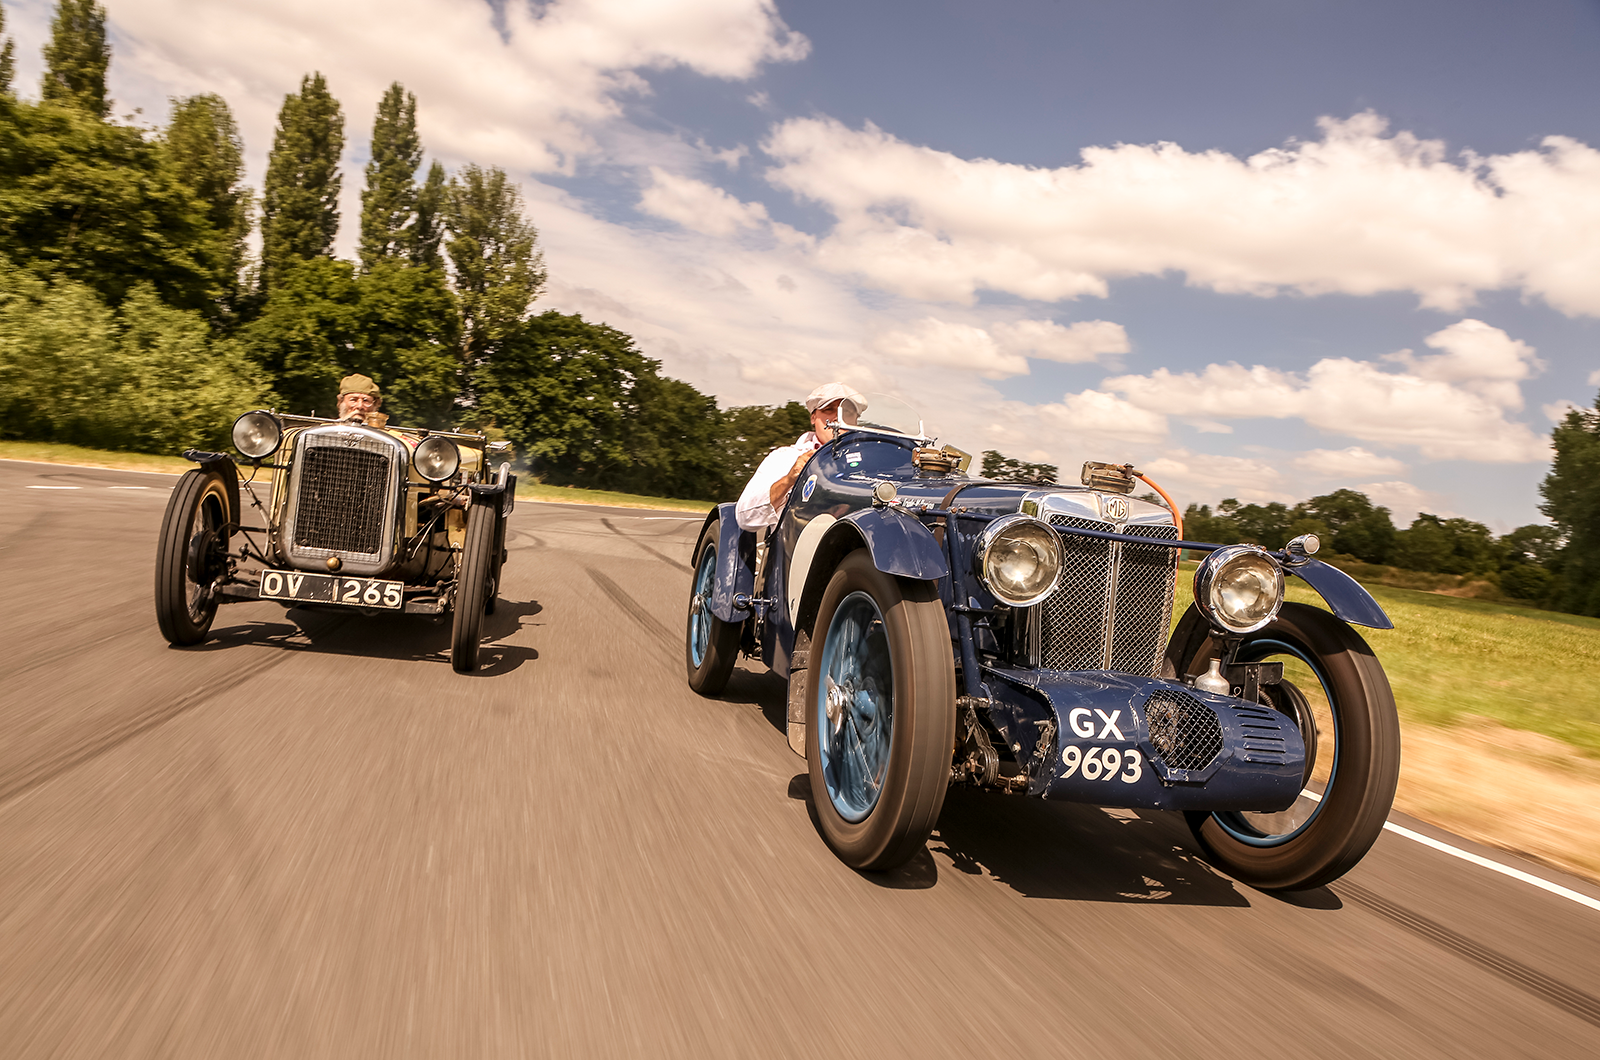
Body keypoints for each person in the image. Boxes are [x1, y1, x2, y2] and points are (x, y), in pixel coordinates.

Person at [735, 383, 867, 530]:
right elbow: (745, 518)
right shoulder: (785, 457)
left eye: (847, 411)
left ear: (856, 420)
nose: (837, 417)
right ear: (813, 417)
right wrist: (788, 480)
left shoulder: (870, 460)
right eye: (828, 410)